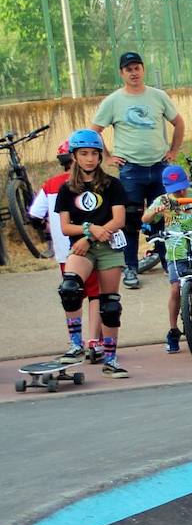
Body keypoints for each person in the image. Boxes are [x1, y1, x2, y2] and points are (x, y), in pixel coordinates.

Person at [91, 51, 185, 290]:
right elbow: (94, 131)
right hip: (131, 170)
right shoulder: (113, 101)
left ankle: (169, 263)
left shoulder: (158, 96)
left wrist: (172, 151)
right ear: (122, 73)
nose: (133, 73)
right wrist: (109, 156)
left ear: (143, 70)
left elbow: (178, 122)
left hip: (159, 167)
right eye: (128, 69)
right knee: (130, 221)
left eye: (137, 68)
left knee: (165, 215)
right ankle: (130, 266)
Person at [54, 129, 129, 377]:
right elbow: (65, 227)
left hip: (107, 246)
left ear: (99, 156)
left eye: (94, 154)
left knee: (109, 305)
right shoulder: (67, 190)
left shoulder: (112, 185)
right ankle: (76, 344)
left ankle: (111, 359)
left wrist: (90, 235)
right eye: (84, 154)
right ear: (74, 156)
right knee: (70, 289)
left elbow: (118, 220)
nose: (89, 159)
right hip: (80, 248)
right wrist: (88, 232)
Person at [33, 141, 104, 364]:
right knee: (95, 294)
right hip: (88, 249)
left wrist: (46, 228)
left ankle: (75, 342)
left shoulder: (50, 185)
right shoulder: (93, 183)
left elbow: (34, 215)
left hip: (64, 251)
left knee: (71, 295)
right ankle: (95, 342)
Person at [142, 164, 192, 354]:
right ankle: (173, 330)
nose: (179, 192)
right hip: (175, 251)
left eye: (181, 186)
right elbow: (145, 219)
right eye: (174, 189)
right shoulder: (164, 200)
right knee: (175, 290)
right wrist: (155, 211)